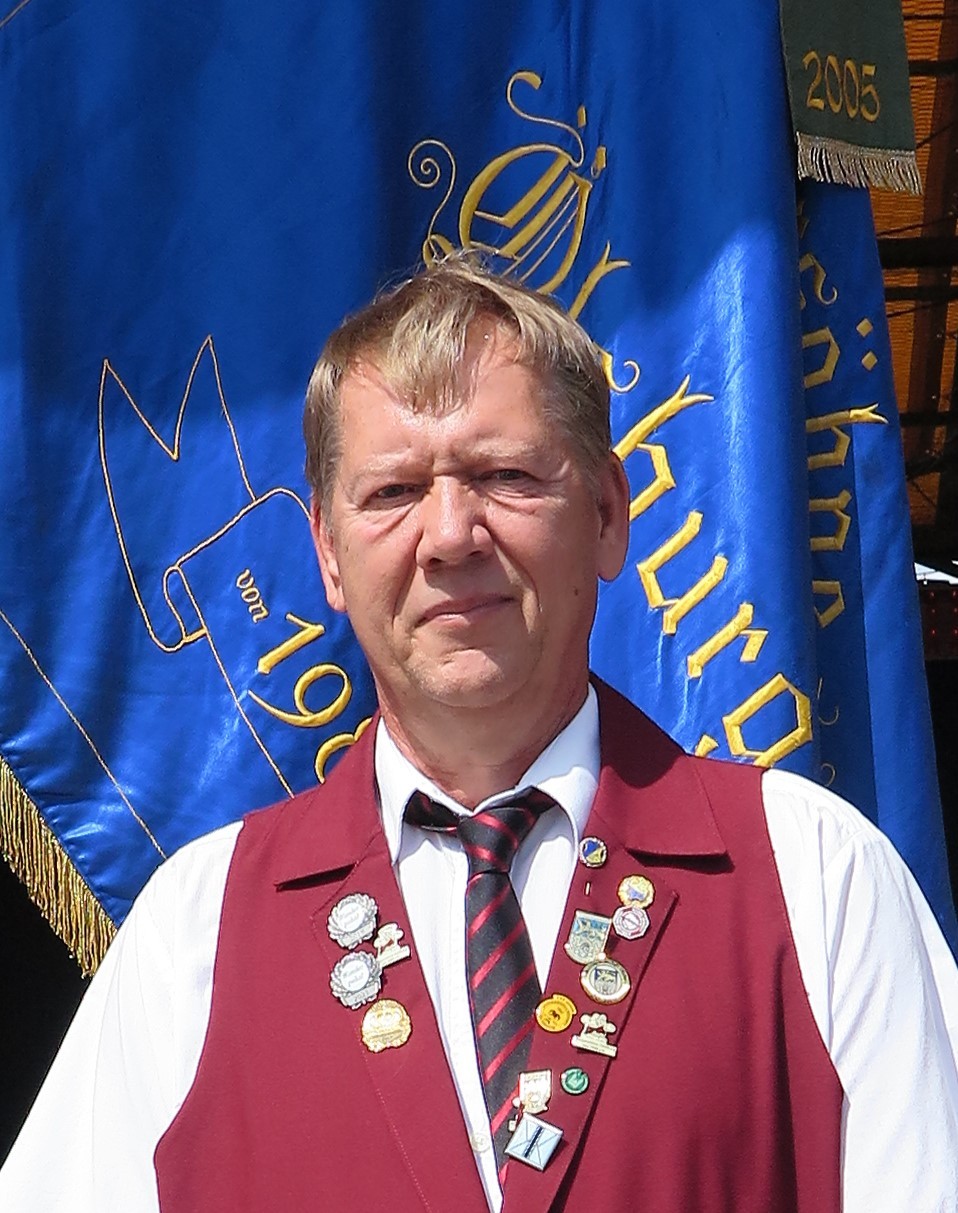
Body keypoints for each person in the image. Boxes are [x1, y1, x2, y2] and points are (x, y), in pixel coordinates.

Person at [2, 260, 957, 1212]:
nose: (450, 535)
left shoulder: (816, 879)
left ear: (609, 513)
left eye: (505, 476)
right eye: (392, 492)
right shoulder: (193, 934)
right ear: (328, 551)